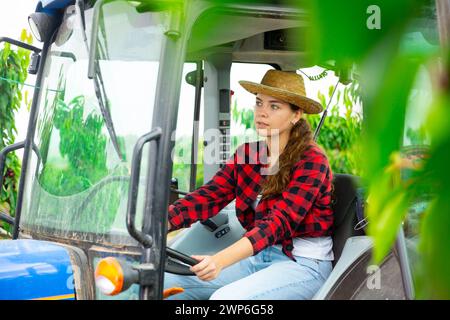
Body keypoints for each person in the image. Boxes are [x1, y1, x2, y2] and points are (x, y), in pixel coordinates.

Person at [164, 69, 334, 300]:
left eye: (274, 107)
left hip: (303, 264)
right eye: (259, 103)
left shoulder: (312, 161)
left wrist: (219, 261)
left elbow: (278, 223)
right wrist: (160, 223)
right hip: (258, 257)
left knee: (226, 301)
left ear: (296, 115)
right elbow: (209, 196)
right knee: (164, 283)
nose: (262, 112)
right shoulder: (247, 155)